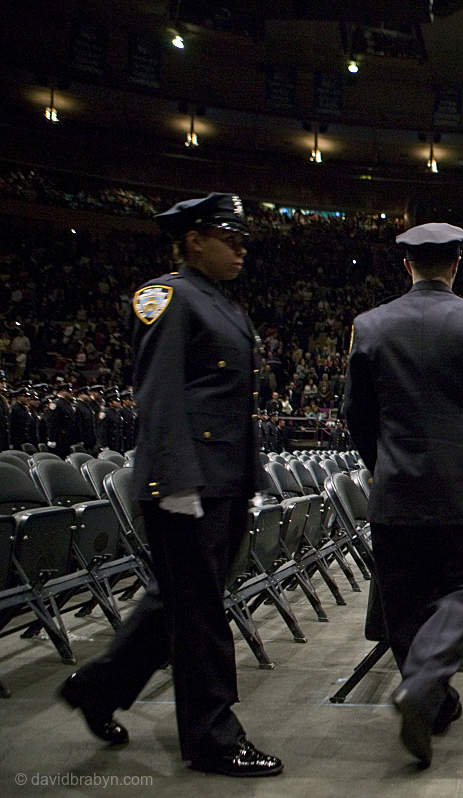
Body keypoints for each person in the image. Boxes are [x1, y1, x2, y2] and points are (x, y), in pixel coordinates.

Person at [58, 193, 282, 777]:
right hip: (188, 483)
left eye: (242, 239)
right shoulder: (167, 297)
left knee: (178, 604)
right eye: (226, 238)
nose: (239, 248)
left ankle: (97, 687)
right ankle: (213, 737)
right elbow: (159, 395)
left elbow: (236, 405)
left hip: (223, 480)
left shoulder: (225, 305)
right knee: (202, 612)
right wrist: (174, 481)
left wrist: (248, 478)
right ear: (192, 241)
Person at [342, 223, 463, 766]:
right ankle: (424, 687)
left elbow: (356, 415)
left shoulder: (369, 326)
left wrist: (382, 467)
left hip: (397, 490)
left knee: (404, 601)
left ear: (407, 265)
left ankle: (430, 698)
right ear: (457, 264)